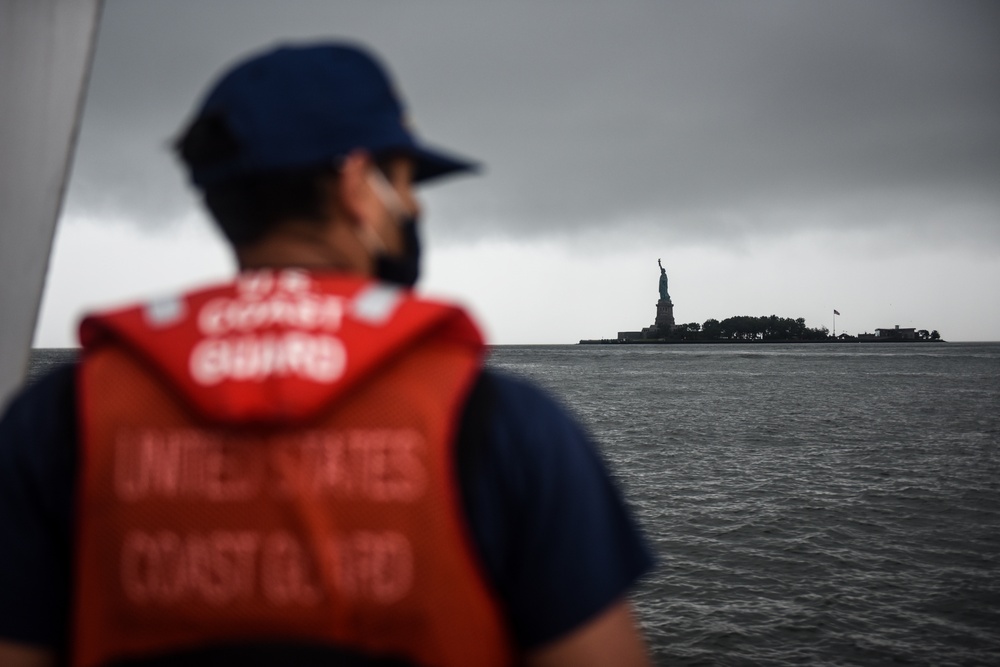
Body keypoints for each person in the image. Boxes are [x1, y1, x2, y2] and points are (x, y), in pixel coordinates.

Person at [0, 42, 653, 666]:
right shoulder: (506, 424)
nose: (416, 204)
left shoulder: (55, 419)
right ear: (355, 186)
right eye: (403, 179)